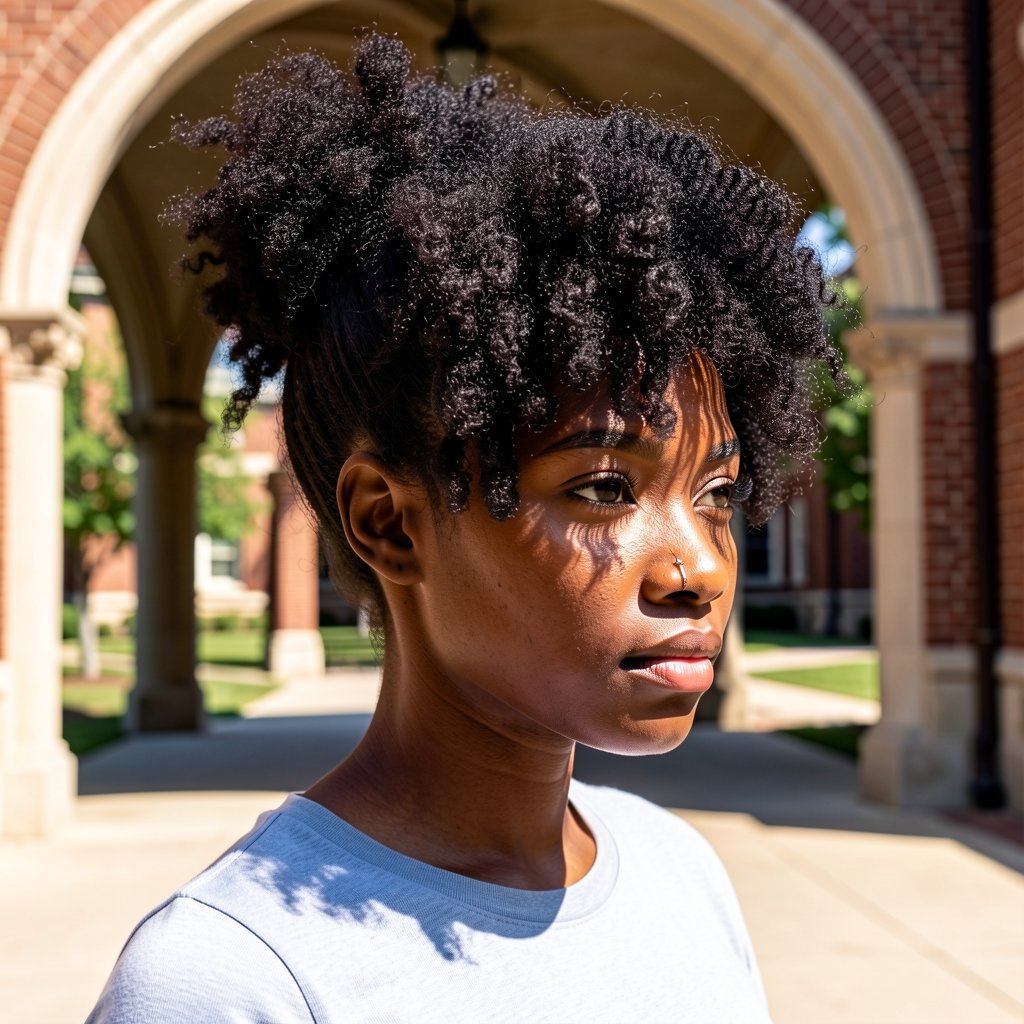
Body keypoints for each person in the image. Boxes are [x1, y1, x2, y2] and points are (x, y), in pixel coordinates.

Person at [87, 32, 846, 1023]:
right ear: (388, 523)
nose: (699, 566)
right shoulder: (233, 976)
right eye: (606, 487)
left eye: (713, 493)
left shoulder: (681, 874)